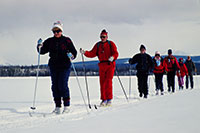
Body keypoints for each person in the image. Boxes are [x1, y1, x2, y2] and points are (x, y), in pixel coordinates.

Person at [37, 21, 77, 114]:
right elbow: (42, 51)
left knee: (62, 85)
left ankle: (67, 106)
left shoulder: (67, 40)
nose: (56, 33)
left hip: (65, 65)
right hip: (54, 66)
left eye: (58, 31)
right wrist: (39, 46)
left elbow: (74, 52)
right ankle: (58, 106)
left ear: (61, 31)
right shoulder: (50, 41)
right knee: (55, 86)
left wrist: (71, 55)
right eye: (54, 31)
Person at [80, 29, 118, 106]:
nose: (102, 38)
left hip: (110, 64)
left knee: (108, 81)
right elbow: (92, 53)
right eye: (101, 37)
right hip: (102, 65)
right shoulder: (98, 45)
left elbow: (116, 53)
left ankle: (109, 99)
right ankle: (104, 99)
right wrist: (85, 52)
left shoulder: (111, 44)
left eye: (103, 37)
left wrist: (113, 57)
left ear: (107, 37)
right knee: (102, 83)